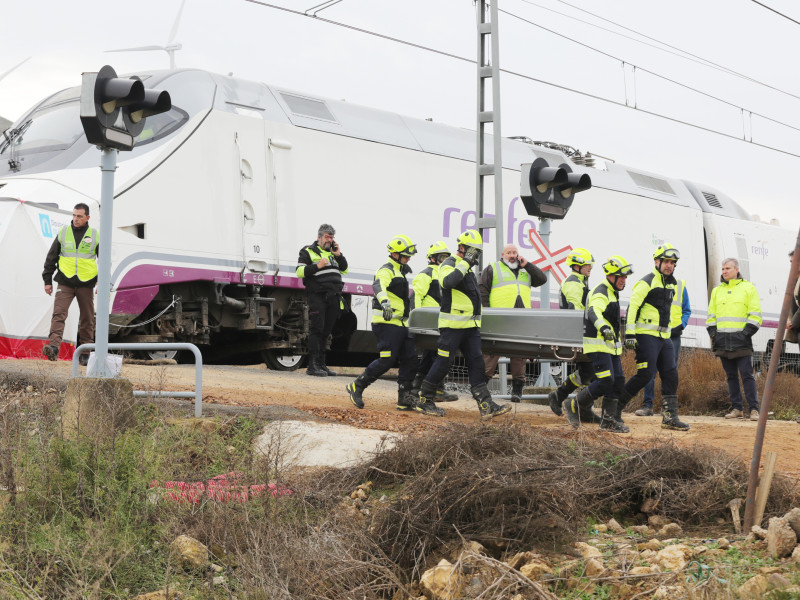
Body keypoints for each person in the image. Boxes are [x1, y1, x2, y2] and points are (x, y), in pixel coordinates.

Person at [417, 230, 511, 419]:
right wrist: (465, 262)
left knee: (477, 364)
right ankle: (424, 400)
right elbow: (447, 282)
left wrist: (467, 264)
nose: (475, 255)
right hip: (452, 327)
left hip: (470, 328)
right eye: (472, 251)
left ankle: (486, 404)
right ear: (462, 248)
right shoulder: (449, 263)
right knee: (443, 363)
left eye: (477, 252)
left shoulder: (467, 268)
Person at [347, 235, 443, 416]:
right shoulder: (387, 270)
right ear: (394, 254)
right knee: (387, 360)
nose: (408, 259)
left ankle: (404, 399)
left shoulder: (400, 271)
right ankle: (357, 385)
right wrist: (384, 302)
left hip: (400, 323)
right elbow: (378, 285)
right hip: (385, 322)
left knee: (410, 359)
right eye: (405, 256)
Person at [619, 244, 690, 431]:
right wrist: (630, 334)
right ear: (656, 262)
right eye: (666, 262)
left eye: (672, 263)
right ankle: (613, 410)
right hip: (645, 335)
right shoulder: (646, 282)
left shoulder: (672, 283)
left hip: (664, 337)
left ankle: (669, 418)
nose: (669, 266)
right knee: (645, 375)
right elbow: (632, 308)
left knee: (671, 374)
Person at [565, 256, 632, 432]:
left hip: (610, 346)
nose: (624, 280)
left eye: (625, 277)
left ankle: (608, 421)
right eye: (621, 276)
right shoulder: (601, 291)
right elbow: (594, 311)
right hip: (597, 344)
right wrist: (603, 328)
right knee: (606, 380)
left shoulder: (612, 292)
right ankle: (574, 404)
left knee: (618, 381)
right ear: (611, 276)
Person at [479, 244, 547, 402]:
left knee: (519, 355)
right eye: (508, 252)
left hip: (521, 319)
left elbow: (542, 279)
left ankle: (517, 392)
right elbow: (482, 290)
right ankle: (481, 390)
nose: (512, 255)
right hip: (499, 318)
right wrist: (487, 312)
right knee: (491, 354)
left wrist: (528, 264)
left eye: (514, 252)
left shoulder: (526, 270)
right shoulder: (493, 268)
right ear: (502, 254)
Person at [548, 247, 601, 423]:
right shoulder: (573, 283)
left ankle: (571, 402)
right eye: (587, 265)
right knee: (590, 371)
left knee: (589, 372)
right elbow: (576, 310)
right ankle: (565, 398)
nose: (590, 267)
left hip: (582, 333)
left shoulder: (580, 281)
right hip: (578, 333)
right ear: (577, 265)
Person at [41, 203, 99, 365]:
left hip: (86, 283)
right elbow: (51, 257)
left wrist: (102, 280)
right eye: (74, 215)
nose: (76, 219)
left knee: (87, 318)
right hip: (65, 281)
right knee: (59, 314)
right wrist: (47, 280)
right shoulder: (63, 232)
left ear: (87, 217)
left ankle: (85, 353)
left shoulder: (95, 235)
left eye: (79, 216)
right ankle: (53, 347)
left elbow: (105, 259)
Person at [707, 257, 762, 421]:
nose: (724, 272)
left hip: (742, 342)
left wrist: (744, 335)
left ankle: (754, 410)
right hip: (723, 341)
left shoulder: (748, 288)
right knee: (730, 376)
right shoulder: (717, 291)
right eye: (723, 269)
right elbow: (711, 317)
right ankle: (737, 408)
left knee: (747, 375)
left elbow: (756, 315)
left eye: (727, 268)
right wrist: (714, 335)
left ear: (736, 270)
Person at [296, 224, 347, 377]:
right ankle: (312, 365)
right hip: (317, 295)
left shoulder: (333, 253)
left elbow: (344, 269)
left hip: (333, 297)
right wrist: (318, 266)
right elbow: (299, 272)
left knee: (326, 331)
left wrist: (338, 255)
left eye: (331, 237)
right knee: (317, 329)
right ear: (319, 237)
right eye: (327, 237)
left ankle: (322, 364)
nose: (329, 240)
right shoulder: (308, 251)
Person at [410, 241, 458, 402]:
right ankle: (421, 389)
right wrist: (417, 320)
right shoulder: (426, 274)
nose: (444, 259)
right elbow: (416, 296)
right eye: (441, 256)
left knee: (437, 355)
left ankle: (430, 389)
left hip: (442, 320)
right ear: (432, 258)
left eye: (446, 256)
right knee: (433, 355)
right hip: (429, 321)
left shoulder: (446, 273)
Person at [635, 278, 691, 416]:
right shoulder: (651, 282)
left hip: (673, 335)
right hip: (655, 334)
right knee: (650, 371)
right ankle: (648, 406)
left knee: (670, 372)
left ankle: (667, 408)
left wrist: (682, 325)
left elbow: (687, 310)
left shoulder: (680, 285)